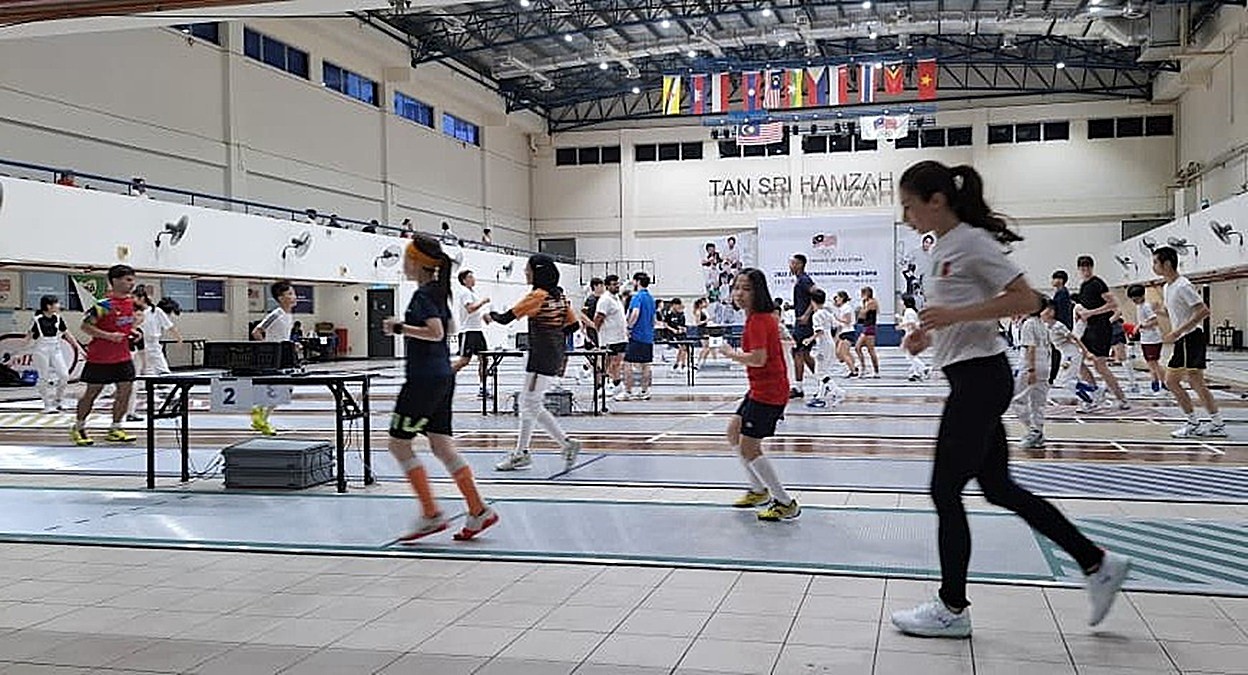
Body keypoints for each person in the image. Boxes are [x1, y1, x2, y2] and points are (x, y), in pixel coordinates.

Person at [889, 161, 1128, 639]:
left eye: (909, 206)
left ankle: (952, 608)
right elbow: (958, 320)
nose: (906, 216)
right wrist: (926, 335)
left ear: (936, 201)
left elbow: (1025, 299)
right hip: (970, 377)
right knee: (998, 489)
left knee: (944, 491)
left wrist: (953, 313)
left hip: (981, 380)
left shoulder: (973, 242)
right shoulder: (940, 248)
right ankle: (1096, 562)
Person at [384, 234, 499, 541]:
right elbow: (447, 329)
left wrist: (398, 327)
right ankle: (478, 510)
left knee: (398, 444)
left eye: (408, 259)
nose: (404, 264)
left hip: (423, 379)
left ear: (418, 263)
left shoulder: (425, 296)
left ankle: (431, 513)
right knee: (441, 445)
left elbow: (435, 333)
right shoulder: (438, 292)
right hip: (442, 376)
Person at [490, 255, 583, 471]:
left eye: (528, 269)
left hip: (541, 356)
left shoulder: (537, 295)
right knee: (528, 404)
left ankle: (565, 443)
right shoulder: (559, 296)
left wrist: (490, 315)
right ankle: (521, 453)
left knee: (530, 403)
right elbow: (573, 326)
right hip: (551, 354)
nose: (525, 272)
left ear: (538, 272)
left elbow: (505, 318)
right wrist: (554, 337)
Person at [721, 268, 800, 522]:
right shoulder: (758, 317)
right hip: (760, 388)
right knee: (733, 431)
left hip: (769, 392)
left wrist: (730, 354)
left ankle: (785, 502)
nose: (739, 293)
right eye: (736, 288)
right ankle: (758, 490)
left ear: (759, 292)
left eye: (746, 289)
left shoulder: (758, 320)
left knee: (749, 446)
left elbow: (758, 359)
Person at [1155, 247, 1226, 438]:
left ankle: (1203, 423)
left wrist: (1178, 330)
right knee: (1180, 382)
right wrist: (1159, 312)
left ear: (1167, 264)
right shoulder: (1167, 287)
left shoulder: (1183, 285)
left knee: (1187, 382)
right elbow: (1176, 312)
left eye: (1156, 262)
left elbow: (1203, 310)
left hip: (1191, 338)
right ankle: (1207, 422)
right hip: (1183, 340)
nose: (1154, 266)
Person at [71, 265, 141, 446]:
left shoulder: (130, 303)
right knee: (92, 394)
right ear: (115, 281)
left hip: (123, 357)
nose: (131, 283)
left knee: (125, 392)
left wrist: (133, 331)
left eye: (132, 279)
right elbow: (85, 327)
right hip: (100, 358)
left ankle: (116, 427)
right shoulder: (103, 304)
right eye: (127, 279)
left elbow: (122, 324)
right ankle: (78, 427)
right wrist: (108, 336)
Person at [1075, 256, 1129, 410]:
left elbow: (1113, 304)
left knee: (1100, 366)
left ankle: (1121, 398)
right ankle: (1095, 392)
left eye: (1087, 268)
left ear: (1092, 267)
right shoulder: (1083, 286)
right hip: (1087, 329)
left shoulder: (1097, 283)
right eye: (1082, 268)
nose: (1085, 271)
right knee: (1077, 362)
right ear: (1079, 269)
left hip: (1100, 329)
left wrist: (1091, 313)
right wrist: (1082, 313)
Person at [249, 280, 297, 436]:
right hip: (273, 358)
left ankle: (261, 417)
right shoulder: (276, 314)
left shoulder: (289, 315)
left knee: (285, 389)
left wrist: (292, 345)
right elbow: (256, 332)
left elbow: (282, 336)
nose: (294, 296)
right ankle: (260, 417)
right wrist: (267, 349)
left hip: (284, 356)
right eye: (290, 293)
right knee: (279, 388)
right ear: (281, 297)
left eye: (293, 293)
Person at [26, 295, 81, 413]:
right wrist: (19, 353)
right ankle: (46, 405)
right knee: (43, 377)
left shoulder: (58, 318)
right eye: (56, 303)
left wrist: (80, 349)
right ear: (48, 306)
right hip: (41, 350)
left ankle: (58, 400)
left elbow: (68, 334)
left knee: (64, 375)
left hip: (55, 349)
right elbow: (28, 338)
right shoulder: (37, 319)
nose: (59, 306)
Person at [1013, 295, 1052, 449]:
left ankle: (1033, 431)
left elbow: (1031, 348)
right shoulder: (1042, 324)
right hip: (1044, 365)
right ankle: (1039, 433)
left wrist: (1031, 370)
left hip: (1032, 364)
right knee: (1038, 402)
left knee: (1018, 400)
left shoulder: (1028, 324)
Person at [803, 289, 845, 408]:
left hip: (823, 345)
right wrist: (835, 339)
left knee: (820, 373)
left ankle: (838, 392)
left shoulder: (816, 315)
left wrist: (809, 339)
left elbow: (819, 331)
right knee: (823, 371)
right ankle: (820, 397)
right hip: (829, 343)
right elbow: (839, 326)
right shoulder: (827, 313)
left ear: (812, 301)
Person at [452, 270, 491, 396]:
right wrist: (483, 302)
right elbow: (470, 308)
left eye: (473, 276)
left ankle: (483, 388)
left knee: (484, 360)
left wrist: (484, 316)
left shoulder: (471, 293)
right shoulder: (465, 292)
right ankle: (442, 379)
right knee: (463, 361)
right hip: (467, 332)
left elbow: (474, 311)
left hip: (477, 331)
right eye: (470, 277)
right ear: (464, 280)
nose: (473, 278)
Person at [618, 272, 656, 401]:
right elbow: (653, 319)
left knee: (627, 363)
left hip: (637, 336)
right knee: (646, 364)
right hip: (648, 336)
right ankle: (645, 391)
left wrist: (629, 327)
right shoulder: (651, 298)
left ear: (638, 282)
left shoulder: (637, 297)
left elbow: (635, 313)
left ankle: (628, 391)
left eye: (634, 281)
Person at [1127, 284, 1165, 396]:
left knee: (1154, 365)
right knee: (1152, 364)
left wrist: (1141, 326)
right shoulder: (1140, 306)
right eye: (1132, 299)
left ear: (1142, 296)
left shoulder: (1146, 307)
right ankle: (1157, 386)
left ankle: (1160, 387)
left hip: (1152, 339)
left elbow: (1155, 321)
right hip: (1146, 339)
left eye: (1136, 298)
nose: (1134, 300)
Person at [788, 254, 817, 398]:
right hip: (801, 322)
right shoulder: (800, 281)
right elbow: (806, 300)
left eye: (793, 263)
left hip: (804, 324)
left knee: (797, 352)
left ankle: (798, 388)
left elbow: (817, 294)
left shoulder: (804, 280)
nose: (790, 265)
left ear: (799, 264)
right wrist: (792, 307)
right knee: (804, 354)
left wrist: (806, 315)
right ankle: (824, 381)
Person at [594, 275, 628, 395]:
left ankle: (616, 385)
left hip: (620, 337)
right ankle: (600, 387)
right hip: (609, 338)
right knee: (605, 364)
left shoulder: (616, 298)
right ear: (607, 286)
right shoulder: (605, 300)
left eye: (617, 284)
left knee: (617, 363)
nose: (617, 286)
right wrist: (596, 335)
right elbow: (598, 318)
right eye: (614, 284)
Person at [1049, 270, 1073, 383]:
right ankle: (1055, 375)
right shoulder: (1060, 292)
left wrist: (1055, 325)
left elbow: (1060, 311)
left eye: (1056, 278)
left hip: (1060, 326)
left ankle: (1054, 376)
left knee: (1058, 351)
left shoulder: (1062, 293)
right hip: (1061, 325)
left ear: (1061, 280)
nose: (1053, 281)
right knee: (1057, 351)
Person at [897, 295, 928, 381]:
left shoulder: (908, 311)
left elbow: (912, 323)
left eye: (902, 301)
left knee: (909, 355)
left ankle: (923, 368)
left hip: (911, 335)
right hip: (911, 334)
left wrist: (901, 326)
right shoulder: (910, 311)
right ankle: (915, 373)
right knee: (911, 355)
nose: (900, 303)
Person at [854, 286, 881, 378]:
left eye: (863, 293)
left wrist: (860, 310)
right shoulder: (866, 302)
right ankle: (863, 367)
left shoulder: (871, 302)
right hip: (866, 326)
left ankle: (876, 371)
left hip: (870, 327)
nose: (861, 295)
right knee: (858, 347)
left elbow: (862, 315)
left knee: (870, 350)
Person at [832, 291, 857, 377]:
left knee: (844, 353)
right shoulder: (842, 308)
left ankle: (853, 371)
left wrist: (837, 318)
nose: (836, 299)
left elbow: (848, 321)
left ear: (842, 298)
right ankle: (854, 366)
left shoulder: (846, 307)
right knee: (841, 352)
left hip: (848, 332)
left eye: (837, 298)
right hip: (844, 332)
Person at [667, 298, 689, 371]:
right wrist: (673, 330)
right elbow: (666, 324)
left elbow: (682, 324)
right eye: (676, 305)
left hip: (681, 334)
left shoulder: (681, 314)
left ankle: (678, 364)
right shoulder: (669, 313)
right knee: (682, 348)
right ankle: (682, 365)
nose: (678, 306)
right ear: (673, 305)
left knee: (684, 349)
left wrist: (683, 328)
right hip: (673, 334)